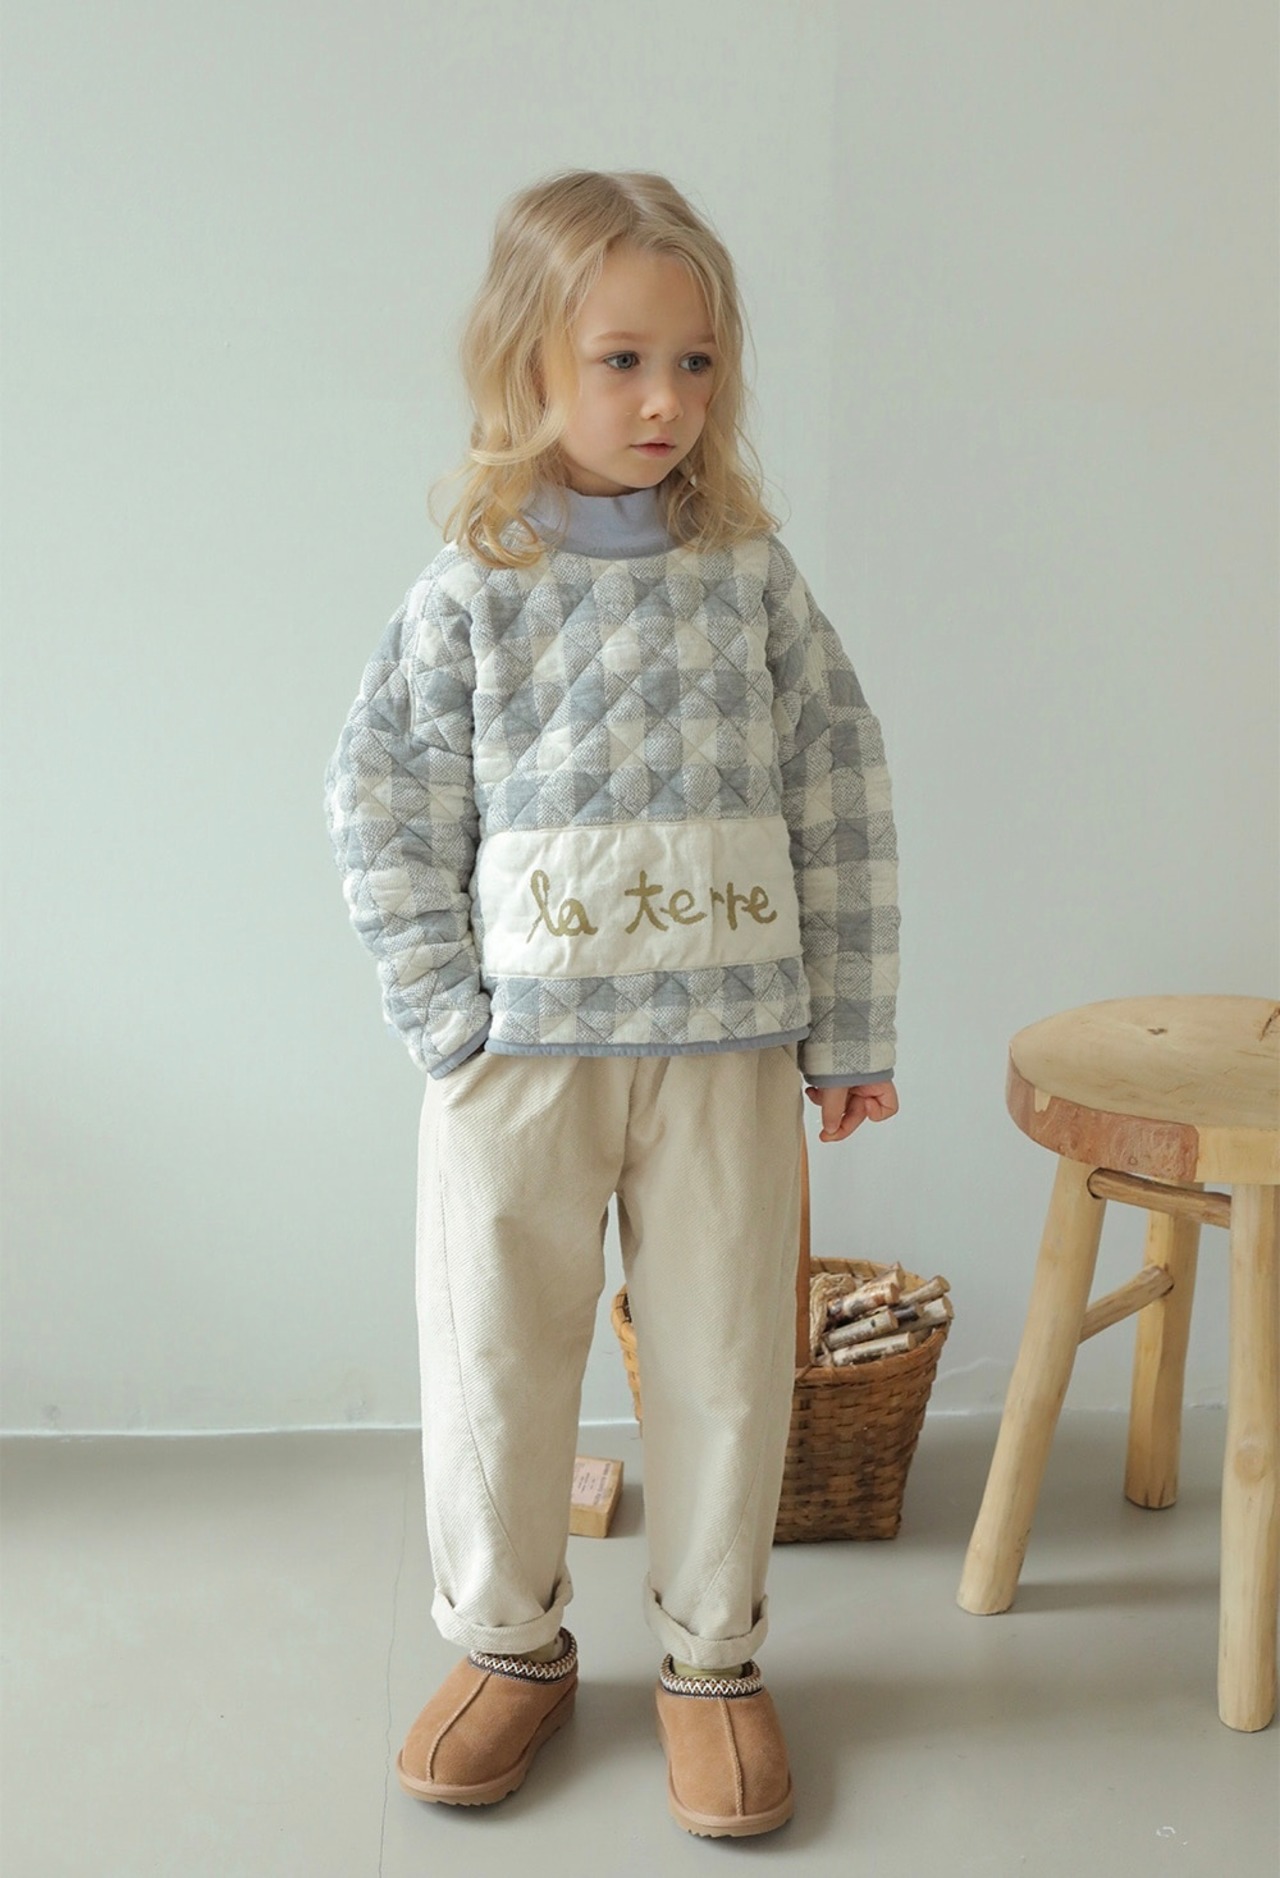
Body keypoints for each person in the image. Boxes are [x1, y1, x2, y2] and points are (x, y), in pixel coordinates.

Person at [324, 168, 900, 1840]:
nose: (666, 400)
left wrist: (851, 1030)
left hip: (725, 1051)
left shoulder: (749, 576)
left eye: (696, 363)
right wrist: (447, 1020)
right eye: (622, 360)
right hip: (523, 1060)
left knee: (725, 1359)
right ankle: (510, 1642)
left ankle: (713, 1658)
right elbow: (383, 799)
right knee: (498, 1355)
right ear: (527, 366)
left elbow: (840, 787)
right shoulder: (471, 588)